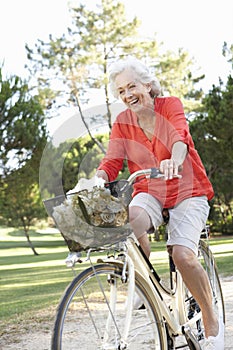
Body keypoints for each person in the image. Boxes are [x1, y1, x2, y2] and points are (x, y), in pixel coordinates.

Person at [95, 56, 224, 349]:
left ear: (148, 84)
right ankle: (143, 280)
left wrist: (174, 161)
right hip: (149, 190)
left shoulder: (170, 106)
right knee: (130, 218)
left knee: (182, 255)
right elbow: (112, 160)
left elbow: (180, 137)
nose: (128, 95)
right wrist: (97, 179)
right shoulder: (122, 122)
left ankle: (211, 319)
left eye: (132, 86)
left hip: (188, 190)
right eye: (121, 91)